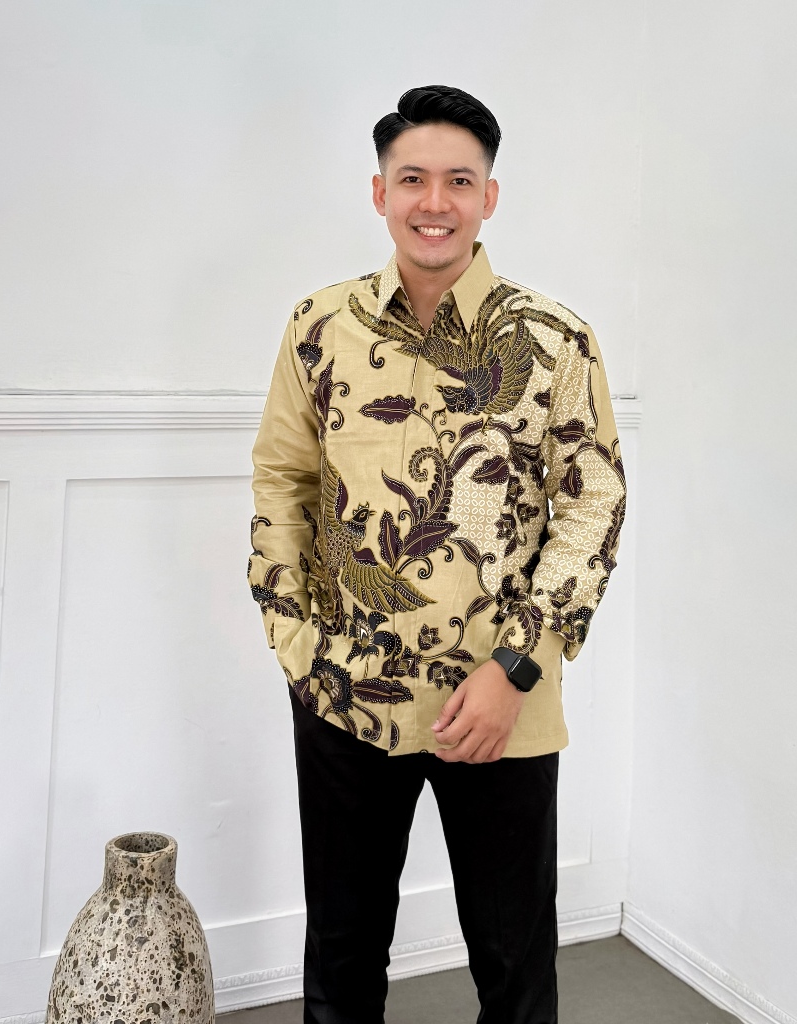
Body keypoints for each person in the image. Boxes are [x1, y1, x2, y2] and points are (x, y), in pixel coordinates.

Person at [249, 84, 627, 1024]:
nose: (435, 201)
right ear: (380, 193)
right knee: (342, 958)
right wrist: (299, 647)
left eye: (459, 180)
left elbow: (594, 505)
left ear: (488, 198)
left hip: (501, 702)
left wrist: (517, 669)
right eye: (413, 178)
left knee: (514, 965)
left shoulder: (553, 341)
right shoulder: (318, 327)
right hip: (345, 695)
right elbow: (282, 482)